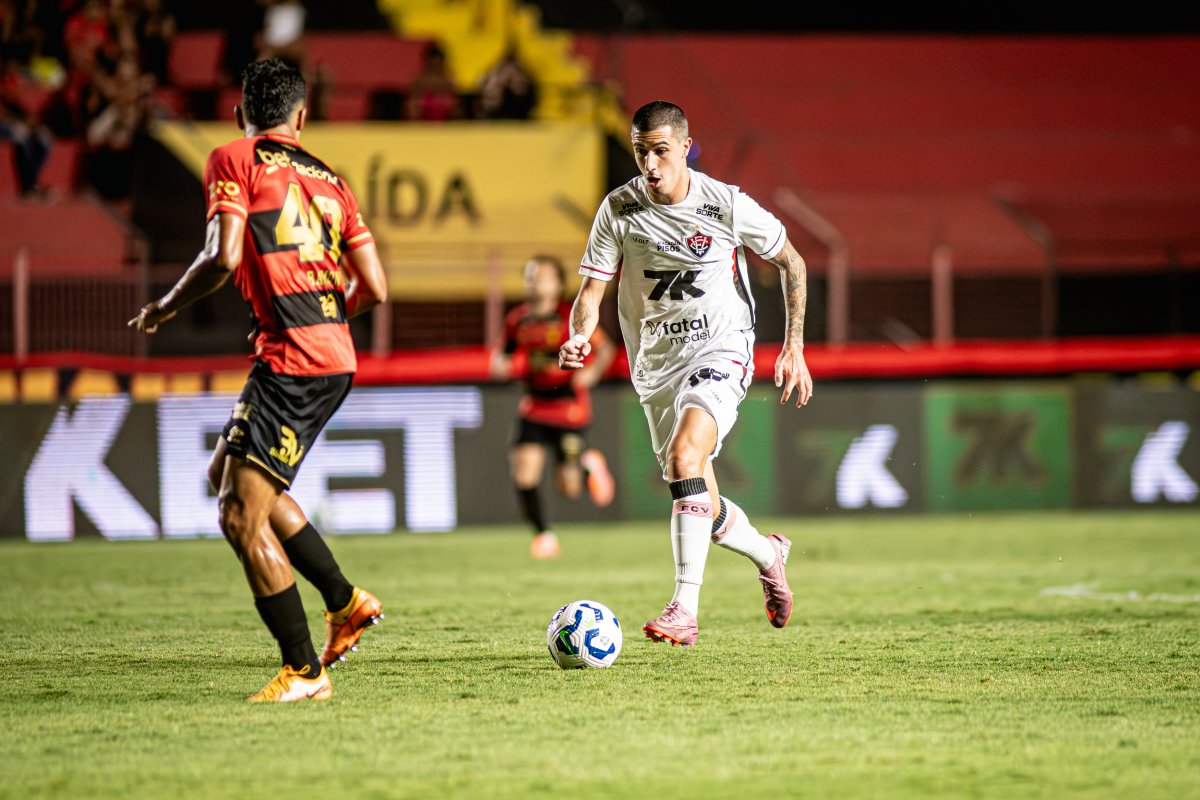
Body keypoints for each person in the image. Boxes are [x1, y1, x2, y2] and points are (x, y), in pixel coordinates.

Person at [128, 58, 389, 702]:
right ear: (302, 116)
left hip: (294, 357)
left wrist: (164, 307)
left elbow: (224, 255)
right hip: (331, 354)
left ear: (243, 113)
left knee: (239, 514)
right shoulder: (333, 182)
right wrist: (324, 314)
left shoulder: (234, 158)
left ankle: (305, 671)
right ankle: (344, 600)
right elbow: (375, 288)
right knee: (229, 477)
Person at [559, 100, 813, 646]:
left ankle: (683, 609)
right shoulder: (619, 209)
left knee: (684, 458)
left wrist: (793, 346)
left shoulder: (724, 204)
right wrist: (579, 334)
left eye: (660, 152)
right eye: (639, 152)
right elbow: (591, 292)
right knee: (703, 502)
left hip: (721, 348)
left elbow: (792, 261)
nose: (649, 165)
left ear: (684, 147)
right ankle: (770, 555)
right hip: (654, 365)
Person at [491, 254, 617, 559]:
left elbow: (605, 349)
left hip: (568, 409)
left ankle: (588, 464)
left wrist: (591, 372)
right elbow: (502, 355)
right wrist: (500, 365)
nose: (535, 282)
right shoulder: (518, 319)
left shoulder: (569, 316)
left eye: (543, 276)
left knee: (569, 489)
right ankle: (544, 535)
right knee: (523, 475)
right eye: (531, 276)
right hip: (534, 406)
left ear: (558, 283)